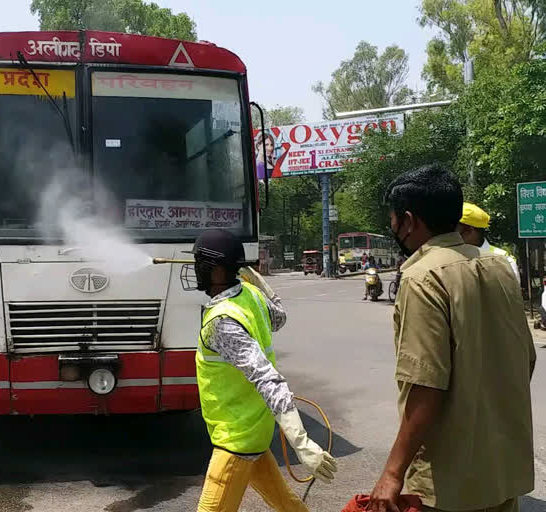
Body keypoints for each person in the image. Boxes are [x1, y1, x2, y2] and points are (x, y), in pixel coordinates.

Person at [369, 164, 536, 512]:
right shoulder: (499, 268)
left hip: (449, 482)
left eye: (394, 219)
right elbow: (526, 358)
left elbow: (427, 385)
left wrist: (393, 471)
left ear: (409, 221)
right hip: (503, 466)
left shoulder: (421, 276)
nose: (393, 226)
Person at [182, 229, 337, 512]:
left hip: (236, 442)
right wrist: (257, 280)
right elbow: (279, 316)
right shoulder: (250, 295)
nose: (196, 272)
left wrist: (302, 444)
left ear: (216, 271)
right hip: (254, 431)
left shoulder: (223, 321)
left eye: (200, 266)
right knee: (287, 505)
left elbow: (268, 380)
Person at [456, 202, 519, 277]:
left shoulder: (504, 259)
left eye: (453, 231)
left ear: (469, 231)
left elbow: (511, 288)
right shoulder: (449, 258)